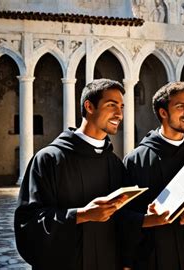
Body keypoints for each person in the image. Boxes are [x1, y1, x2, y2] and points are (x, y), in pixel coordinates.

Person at [15, 79, 131, 269]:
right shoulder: (49, 159)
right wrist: (81, 214)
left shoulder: (115, 164)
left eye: (121, 107)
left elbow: (123, 223)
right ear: (89, 106)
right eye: (111, 105)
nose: (119, 114)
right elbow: (28, 224)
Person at [122, 81, 184, 270]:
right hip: (150, 259)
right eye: (180, 107)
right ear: (163, 113)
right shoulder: (135, 160)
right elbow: (125, 216)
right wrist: (128, 263)